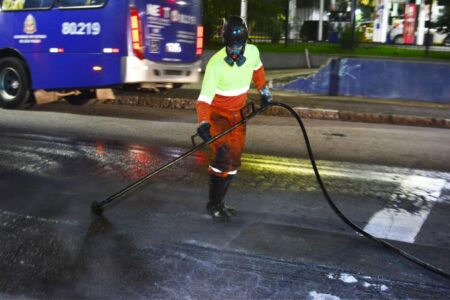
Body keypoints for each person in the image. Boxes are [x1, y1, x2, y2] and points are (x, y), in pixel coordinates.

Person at [196, 16, 273, 222]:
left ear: (246, 42)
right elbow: (204, 99)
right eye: (231, 46)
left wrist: (263, 90)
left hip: (238, 115)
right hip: (218, 116)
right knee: (222, 158)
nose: (235, 51)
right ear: (225, 42)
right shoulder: (215, 64)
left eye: (239, 46)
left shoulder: (254, 52)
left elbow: (257, 69)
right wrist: (204, 123)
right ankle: (213, 204)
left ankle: (220, 203)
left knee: (234, 161)